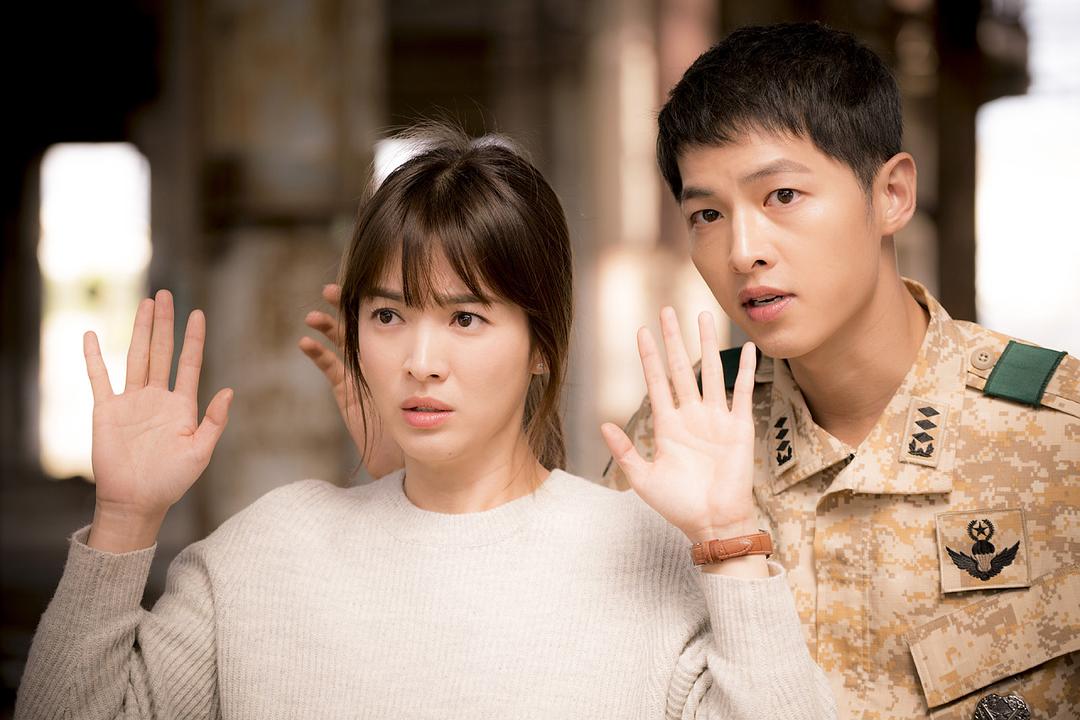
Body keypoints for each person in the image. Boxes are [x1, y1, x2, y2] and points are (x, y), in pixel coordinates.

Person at [304, 24, 1080, 720]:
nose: (743, 250)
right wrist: (419, 477)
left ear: (893, 194)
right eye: (707, 214)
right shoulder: (680, 435)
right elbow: (543, 648)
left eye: (782, 195)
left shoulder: (1058, 441)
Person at [16, 125, 835, 718]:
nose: (420, 360)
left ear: (542, 346)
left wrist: (730, 536)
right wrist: (125, 521)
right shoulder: (267, 553)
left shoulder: (642, 553)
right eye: (388, 316)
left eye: (466, 318)